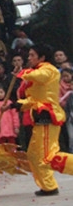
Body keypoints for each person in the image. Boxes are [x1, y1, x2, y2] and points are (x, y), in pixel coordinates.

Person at [16, 44, 73, 196]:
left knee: (47, 157)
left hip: (48, 116)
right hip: (39, 117)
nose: (29, 58)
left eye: (32, 55)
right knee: (34, 155)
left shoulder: (49, 70)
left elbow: (39, 77)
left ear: (42, 57)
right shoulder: (36, 72)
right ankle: (48, 186)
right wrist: (17, 104)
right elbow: (33, 98)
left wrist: (23, 72)